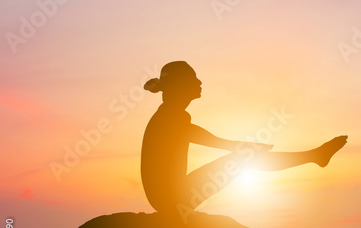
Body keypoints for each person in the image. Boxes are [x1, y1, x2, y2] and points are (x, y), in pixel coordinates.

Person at [141, 61, 347, 216]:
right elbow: (205, 138)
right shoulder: (172, 116)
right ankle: (315, 156)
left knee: (245, 156)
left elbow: (201, 136)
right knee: (246, 158)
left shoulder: (170, 114)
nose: (200, 82)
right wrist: (245, 148)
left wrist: (244, 147)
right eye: (194, 78)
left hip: (170, 197)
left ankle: (315, 156)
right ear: (180, 85)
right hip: (173, 200)